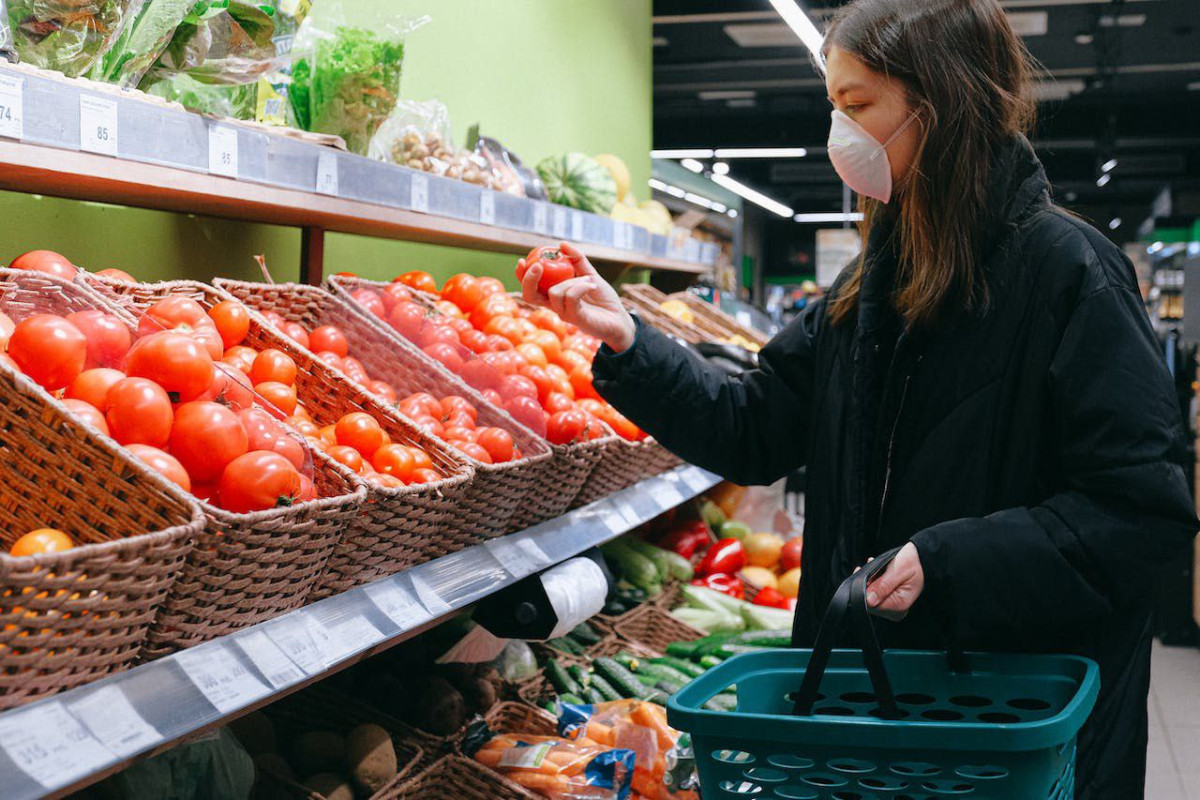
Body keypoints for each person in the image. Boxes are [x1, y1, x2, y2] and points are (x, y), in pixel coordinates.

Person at [517, 1, 1197, 797]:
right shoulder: (871, 282)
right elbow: (756, 427)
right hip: (875, 710)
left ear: (940, 105)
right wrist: (630, 339)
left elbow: (1140, 514)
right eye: (832, 104)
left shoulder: (1071, 274)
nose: (839, 132)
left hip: (1011, 726)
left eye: (858, 104)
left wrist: (948, 562)